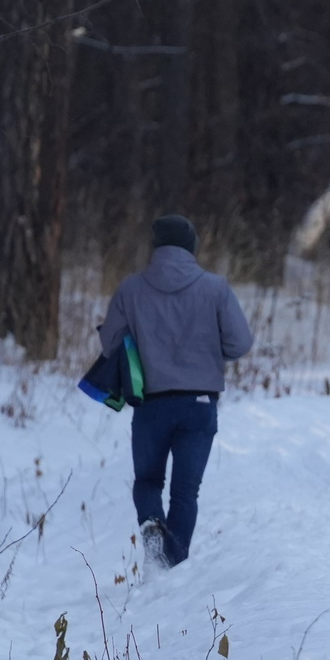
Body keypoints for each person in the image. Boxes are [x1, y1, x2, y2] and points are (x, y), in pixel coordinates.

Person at [95, 215, 255, 568]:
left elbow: (110, 345)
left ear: (155, 245)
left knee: (148, 480)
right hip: (199, 404)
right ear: (192, 246)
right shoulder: (216, 288)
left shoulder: (131, 288)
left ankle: (152, 524)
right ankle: (173, 566)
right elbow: (240, 342)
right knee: (186, 492)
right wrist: (209, 351)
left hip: (151, 404)